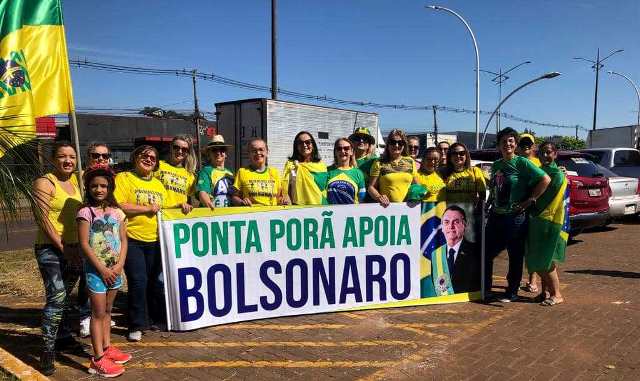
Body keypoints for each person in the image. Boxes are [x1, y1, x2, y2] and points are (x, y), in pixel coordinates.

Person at [32, 142, 84, 375]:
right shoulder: (45, 182)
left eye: (72, 157)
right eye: (62, 156)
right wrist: (63, 247)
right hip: (51, 248)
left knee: (65, 298)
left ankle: (63, 335)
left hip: (75, 248)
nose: (68, 161)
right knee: (57, 297)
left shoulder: (77, 182)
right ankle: (47, 350)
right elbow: (43, 219)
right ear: (53, 159)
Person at [485, 127, 550, 303]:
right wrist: (490, 202)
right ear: (499, 144)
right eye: (504, 141)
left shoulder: (522, 162)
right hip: (496, 215)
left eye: (511, 141)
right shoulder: (497, 164)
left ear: (515, 144)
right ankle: (486, 288)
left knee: (515, 255)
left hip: (515, 218)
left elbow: (545, 179)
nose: (508, 144)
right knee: (487, 253)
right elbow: (495, 187)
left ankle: (511, 291)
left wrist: (530, 200)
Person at [77, 166, 131, 377]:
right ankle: (97, 359)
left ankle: (107, 347)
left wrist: (118, 266)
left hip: (115, 271)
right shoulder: (85, 213)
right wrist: (102, 269)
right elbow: (84, 244)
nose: (98, 190)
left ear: (110, 188)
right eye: (94, 186)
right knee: (97, 313)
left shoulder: (118, 213)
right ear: (88, 188)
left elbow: (124, 241)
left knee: (108, 311)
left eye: (103, 186)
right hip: (96, 272)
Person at [114, 145, 168, 341]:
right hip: (132, 239)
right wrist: (146, 209)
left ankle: (153, 319)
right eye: (145, 156)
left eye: (153, 158)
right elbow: (118, 204)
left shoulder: (159, 185)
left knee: (155, 282)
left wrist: (184, 205)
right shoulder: (124, 178)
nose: (149, 160)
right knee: (138, 281)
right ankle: (136, 324)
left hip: (155, 240)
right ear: (135, 157)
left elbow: (167, 207)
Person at [526, 141, 568, 306]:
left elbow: (552, 200)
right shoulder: (540, 171)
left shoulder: (557, 174)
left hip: (549, 221)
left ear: (555, 154)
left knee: (546, 259)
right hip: (536, 220)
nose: (545, 155)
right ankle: (544, 292)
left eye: (549, 152)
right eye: (542, 152)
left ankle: (557, 294)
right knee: (538, 259)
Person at [79, 142, 113, 339]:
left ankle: (102, 324)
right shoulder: (80, 176)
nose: (100, 159)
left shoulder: (111, 176)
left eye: (104, 156)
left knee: (104, 304)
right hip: (88, 239)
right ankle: (87, 317)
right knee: (88, 282)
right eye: (95, 155)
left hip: (108, 244)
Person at [428, 206, 481, 295]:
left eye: (456, 222)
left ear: (464, 225)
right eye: (446, 222)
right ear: (442, 227)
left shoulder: (476, 251)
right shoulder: (435, 255)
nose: (451, 226)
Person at [441, 142, 487, 243]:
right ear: (450, 156)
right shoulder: (443, 173)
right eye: (454, 153)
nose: (458, 156)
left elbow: (482, 196)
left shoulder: (475, 171)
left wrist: (478, 213)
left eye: (462, 153)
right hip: (450, 221)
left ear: (466, 155)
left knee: (471, 251)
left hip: (470, 219)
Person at [517, 133, 542, 293]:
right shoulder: (515, 162)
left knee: (531, 247)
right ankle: (516, 278)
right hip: (517, 209)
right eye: (523, 144)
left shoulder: (539, 164)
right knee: (518, 247)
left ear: (533, 146)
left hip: (533, 210)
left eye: (529, 144)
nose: (526, 146)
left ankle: (533, 280)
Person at [368, 129, 419, 207]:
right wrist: (379, 197)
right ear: (388, 144)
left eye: (400, 143)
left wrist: (416, 195)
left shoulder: (410, 161)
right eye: (393, 142)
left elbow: (416, 185)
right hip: (387, 209)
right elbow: (371, 187)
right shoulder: (379, 162)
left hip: (407, 209)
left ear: (404, 145)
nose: (396, 145)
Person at [231, 138, 287, 206]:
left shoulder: (274, 172)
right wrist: (241, 202)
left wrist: (283, 200)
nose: (258, 153)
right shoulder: (242, 172)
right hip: (251, 214)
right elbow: (234, 197)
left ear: (267, 152)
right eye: (254, 150)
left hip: (271, 214)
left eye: (261, 149)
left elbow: (279, 198)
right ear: (249, 154)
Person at [282, 131, 327, 205]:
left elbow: (324, 187)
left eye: (308, 142)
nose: (304, 145)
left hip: (319, 206)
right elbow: (286, 185)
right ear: (296, 146)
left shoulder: (321, 166)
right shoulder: (291, 165)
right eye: (300, 143)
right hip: (298, 208)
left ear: (313, 145)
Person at [154, 135, 196, 214]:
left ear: (187, 153)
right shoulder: (158, 165)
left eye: (184, 149)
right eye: (176, 147)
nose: (180, 151)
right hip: (159, 213)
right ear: (171, 148)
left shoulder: (189, 174)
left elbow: (191, 200)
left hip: (178, 215)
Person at [197, 136, 234, 209]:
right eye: (214, 150)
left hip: (228, 215)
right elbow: (202, 193)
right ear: (209, 154)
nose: (218, 153)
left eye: (222, 149)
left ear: (225, 154)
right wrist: (212, 210)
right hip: (213, 215)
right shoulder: (206, 171)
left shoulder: (230, 174)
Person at [326, 138, 366, 204]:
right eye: (339, 148)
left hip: (351, 213)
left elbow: (361, 199)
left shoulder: (358, 173)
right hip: (331, 213)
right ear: (335, 152)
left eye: (346, 148)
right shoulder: (327, 171)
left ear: (351, 151)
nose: (342, 151)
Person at [349, 127, 378, 199]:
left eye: (365, 139)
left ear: (369, 144)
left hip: (368, 202)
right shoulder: (346, 159)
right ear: (352, 142)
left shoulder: (374, 160)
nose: (361, 141)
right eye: (357, 138)